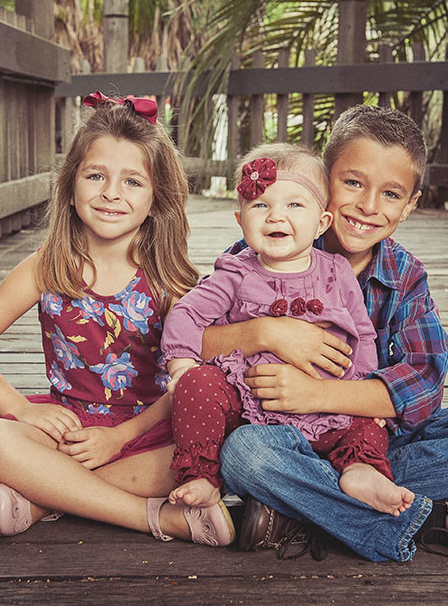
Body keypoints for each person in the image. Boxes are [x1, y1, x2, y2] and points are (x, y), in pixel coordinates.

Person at [204, 105, 448, 562]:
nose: (368, 206)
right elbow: (194, 340)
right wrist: (267, 332)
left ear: (409, 206)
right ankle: (434, 519)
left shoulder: (403, 276)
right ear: (323, 181)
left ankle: (298, 510)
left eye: (390, 194)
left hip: (370, 443)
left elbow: (422, 386)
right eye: (352, 183)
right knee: (244, 455)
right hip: (278, 435)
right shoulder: (262, 246)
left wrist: (315, 393)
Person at [0, 92, 236, 547]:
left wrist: (120, 437)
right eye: (95, 175)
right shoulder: (47, 267)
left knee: (224, 448)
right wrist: (22, 409)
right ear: (70, 186)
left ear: (158, 199)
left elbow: (189, 377)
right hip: (70, 430)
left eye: (132, 182)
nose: (111, 193)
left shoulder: (171, 282)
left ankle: (45, 495)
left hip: (149, 427)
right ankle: (151, 517)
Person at [160, 144, 416, 519]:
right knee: (202, 390)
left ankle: (353, 473)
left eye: (294, 205)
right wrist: (181, 365)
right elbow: (186, 313)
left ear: (321, 222)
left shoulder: (336, 272)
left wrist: (355, 392)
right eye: (260, 206)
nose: (275, 216)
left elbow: (363, 335)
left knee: (381, 426)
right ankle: (202, 476)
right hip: (256, 418)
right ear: (240, 219)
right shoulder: (235, 272)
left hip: (332, 411)